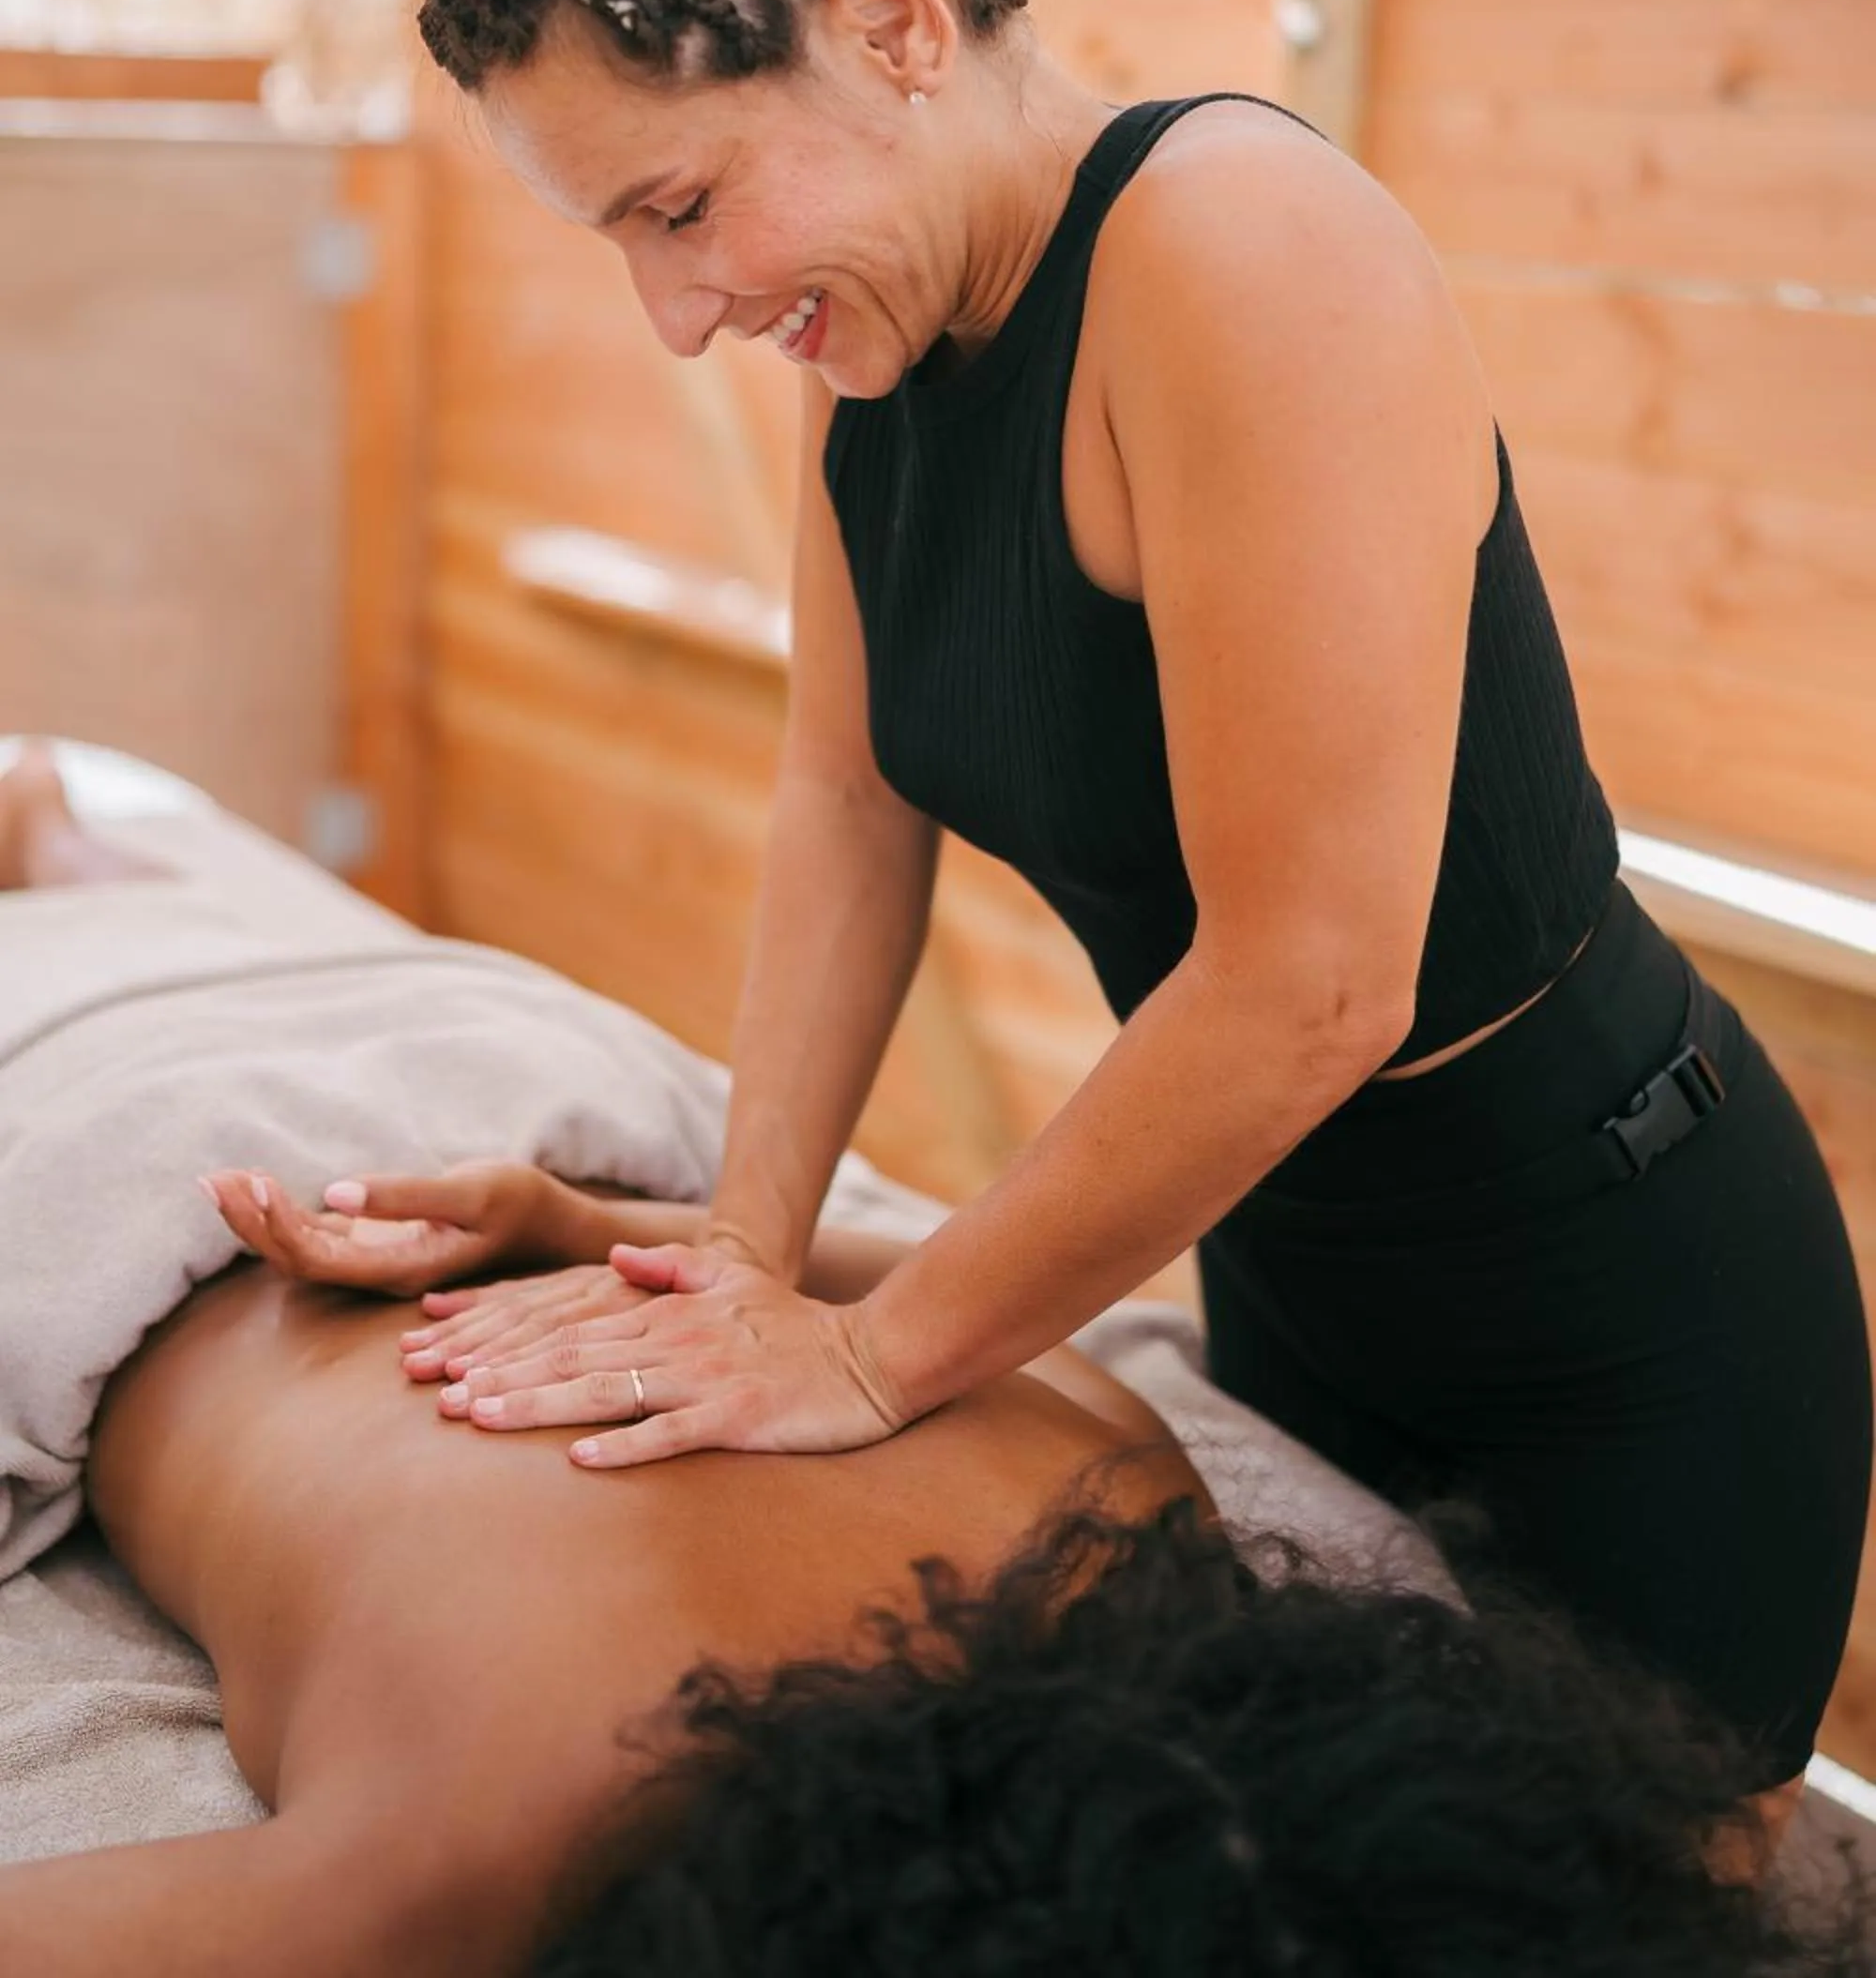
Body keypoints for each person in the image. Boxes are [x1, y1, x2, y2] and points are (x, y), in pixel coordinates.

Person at [284, 0, 1870, 1821]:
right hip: (1297, 1274)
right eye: (620, 241)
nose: (679, 311)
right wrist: (731, 1258)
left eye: (681, 207)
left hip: (1612, 1304)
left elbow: (1310, 979)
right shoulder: (871, 341)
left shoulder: (1237, 247)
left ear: (888, 21)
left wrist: (867, 1358)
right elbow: (846, 800)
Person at [6, 751, 1862, 1978]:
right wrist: (576, 1223)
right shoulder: (477, 1856)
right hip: (245, 1140)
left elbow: (942, 1301)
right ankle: (68, 846)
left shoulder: (1143, 1538)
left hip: (507, 1102)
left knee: (176, 906)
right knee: (160, 906)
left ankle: (68, 846)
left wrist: (587, 1220)